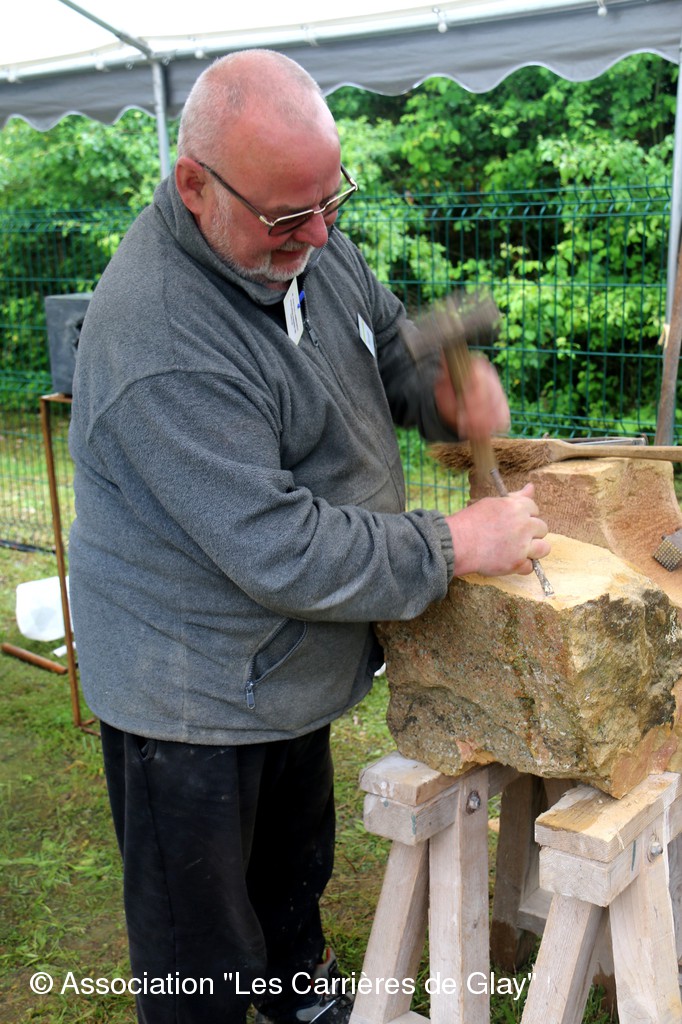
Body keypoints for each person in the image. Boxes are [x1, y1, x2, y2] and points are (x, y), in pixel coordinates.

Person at [68, 49, 550, 1024]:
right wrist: (450, 545)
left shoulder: (301, 235)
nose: (322, 234)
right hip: (188, 690)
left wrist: (441, 396)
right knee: (199, 940)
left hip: (284, 659)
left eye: (332, 200)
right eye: (291, 217)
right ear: (195, 186)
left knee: (291, 864)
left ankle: (298, 989)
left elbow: (382, 343)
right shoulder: (160, 341)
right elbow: (278, 548)